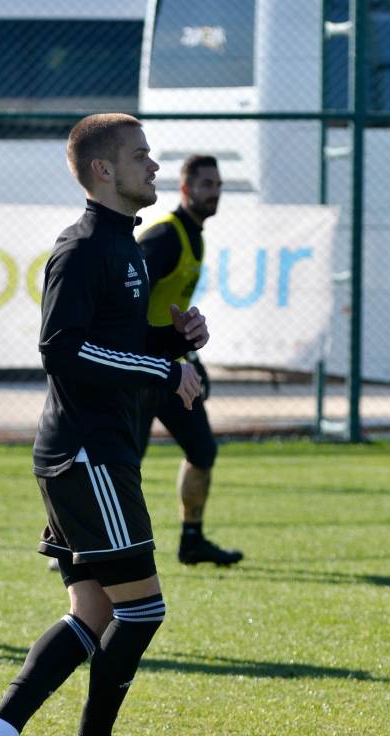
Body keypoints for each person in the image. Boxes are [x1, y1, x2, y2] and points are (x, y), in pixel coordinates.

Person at [0, 113, 207, 736]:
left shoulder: (125, 245)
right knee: (143, 609)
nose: (154, 166)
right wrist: (163, 369)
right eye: (141, 155)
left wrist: (172, 340)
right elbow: (61, 349)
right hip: (86, 454)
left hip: (91, 452)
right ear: (103, 170)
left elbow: (114, 340)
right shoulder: (82, 247)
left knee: (95, 611)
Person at [136, 154, 243, 566]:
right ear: (185, 188)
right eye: (206, 185)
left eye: (218, 185)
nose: (214, 193)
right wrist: (140, 352)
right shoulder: (165, 236)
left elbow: (170, 310)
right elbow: (127, 295)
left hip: (173, 367)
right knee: (120, 460)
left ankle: (192, 540)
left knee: (202, 451)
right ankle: (72, 545)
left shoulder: (193, 236)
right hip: (142, 369)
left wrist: (191, 356)